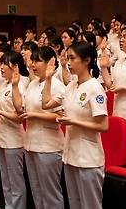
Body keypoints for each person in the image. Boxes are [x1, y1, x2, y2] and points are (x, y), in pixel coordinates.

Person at [42, 41, 108, 209]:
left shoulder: (95, 88)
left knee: (90, 205)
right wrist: (48, 79)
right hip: (70, 154)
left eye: (72, 58)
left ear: (86, 60)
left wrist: (73, 121)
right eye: (67, 59)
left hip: (88, 157)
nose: (68, 63)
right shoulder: (71, 85)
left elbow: (103, 125)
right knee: (74, 203)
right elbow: (45, 104)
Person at [22, 47, 66, 209]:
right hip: (31, 143)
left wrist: (35, 116)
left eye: (38, 60)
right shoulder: (32, 84)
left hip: (49, 145)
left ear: (50, 63)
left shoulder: (57, 86)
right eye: (32, 61)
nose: (33, 64)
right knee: (36, 189)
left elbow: (61, 117)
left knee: (50, 192)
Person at [0, 51, 30, 209]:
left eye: (5, 64)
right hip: (0, 137)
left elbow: (20, 118)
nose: (2, 67)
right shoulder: (4, 84)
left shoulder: (19, 86)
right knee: (5, 179)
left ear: (15, 66)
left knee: (15, 180)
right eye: (1, 63)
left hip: (14, 139)